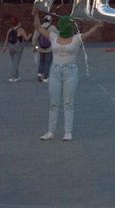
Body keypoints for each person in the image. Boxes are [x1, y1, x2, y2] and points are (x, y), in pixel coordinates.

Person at [33, 10, 101, 141]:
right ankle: (50, 131)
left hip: (70, 72)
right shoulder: (53, 36)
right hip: (55, 71)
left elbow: (89, 34)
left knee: (68, 102)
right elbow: (38, 28)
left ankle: (68, 132)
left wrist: (97, 26)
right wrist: (36, 14)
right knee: (53, 103)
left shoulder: (76, 38)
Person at [3, 16, 28, 82]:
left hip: (10, 47)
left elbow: (6, 39)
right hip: (18, 48)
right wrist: (30, 35)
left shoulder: (10, 30)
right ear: (18, 23)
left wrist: (4, 48)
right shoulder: (21, 30)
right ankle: (12, 77)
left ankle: (17, 76)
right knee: (16, 63)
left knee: (14, 62)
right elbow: (26, 38)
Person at [34, 18, 53, 83]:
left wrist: (34, 46)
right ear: (50, 20)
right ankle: (46, 77)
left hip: (41, 48)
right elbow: (57, 35)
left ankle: (39, 74)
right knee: (47, 62)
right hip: (49, 48)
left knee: (41, 61)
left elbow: (34, 38)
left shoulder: (39, 27)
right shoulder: (52, 27)